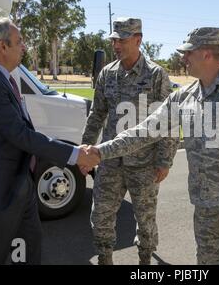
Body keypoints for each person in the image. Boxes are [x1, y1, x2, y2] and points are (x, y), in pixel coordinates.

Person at [84, 27, 219, 264]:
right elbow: (143, 132)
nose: (182, 58)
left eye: (187, 53)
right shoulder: (182, 97)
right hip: (205, 211)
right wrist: (100, 151)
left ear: (206, 54)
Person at [0, 17, 97, 265]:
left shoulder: (0, 75)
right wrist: (76, 154)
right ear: (2, 46)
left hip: (20, 183)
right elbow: (21, 135)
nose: (24, 47)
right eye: (19, 41)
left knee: (30, 246)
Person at [81, 17, 178, 265]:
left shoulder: (156, 75)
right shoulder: (107, 74)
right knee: (100, 215)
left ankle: (144, 260)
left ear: (138, 40)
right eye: (114, 39)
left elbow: (168, 122)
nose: (116, 44)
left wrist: (164, 160)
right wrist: (84, 150)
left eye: (122, 39)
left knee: (145, 219)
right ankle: (105, 257)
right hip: (109, 161)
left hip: (144, 163)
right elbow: (97, 114)